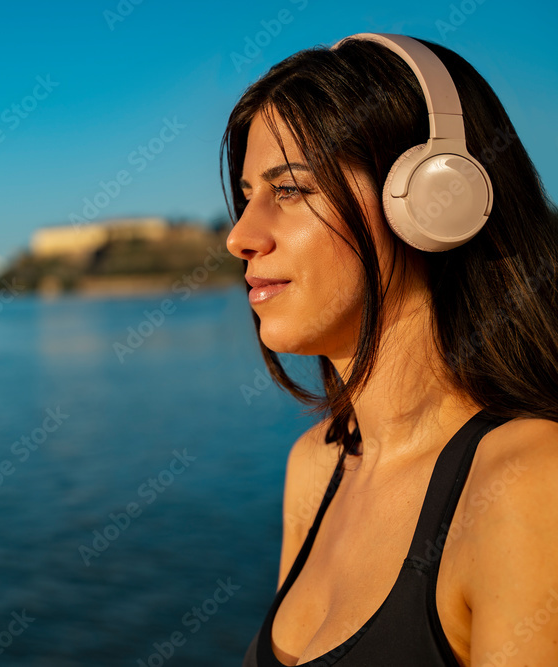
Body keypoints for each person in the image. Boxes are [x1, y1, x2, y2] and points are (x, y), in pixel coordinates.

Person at [222, 33, 558, 666]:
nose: (240, 236)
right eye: (246, 197)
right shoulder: (316, 466)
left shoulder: (529, 480)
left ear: (434, 199)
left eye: (289, 190)